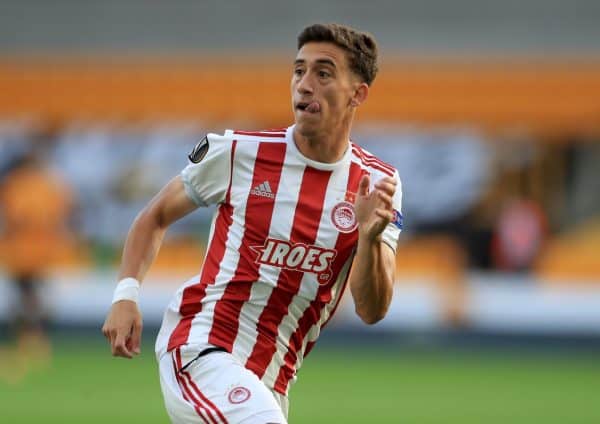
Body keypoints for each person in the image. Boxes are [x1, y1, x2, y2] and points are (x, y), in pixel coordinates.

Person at [102, 23, 403, 424]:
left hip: (270, 380)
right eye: (299, 71)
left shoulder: (378, 184)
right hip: (201, 348)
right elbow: (154, 216)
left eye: (323, 73)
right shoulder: (240, 153)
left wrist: (370, 235)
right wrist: (125, 295)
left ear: (358, 93)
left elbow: (371, 309)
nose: (304, 84)